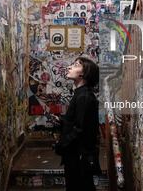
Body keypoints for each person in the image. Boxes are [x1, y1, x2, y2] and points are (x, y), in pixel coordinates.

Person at [53, 56, 100, 191]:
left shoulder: (84, 97)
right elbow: (80, 123)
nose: (69, 67)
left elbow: (80, 130)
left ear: (83, 73)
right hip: (76, 155)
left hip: (79, 157)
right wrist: (62, 123)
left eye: (75, 65)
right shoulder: (81, 94)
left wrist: (61, 146)